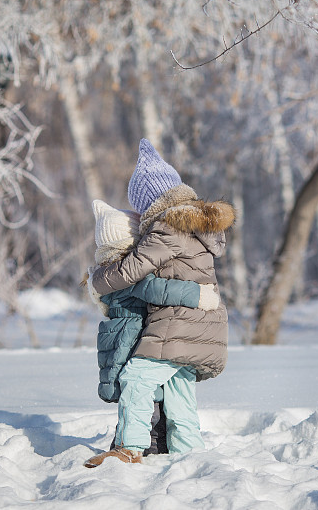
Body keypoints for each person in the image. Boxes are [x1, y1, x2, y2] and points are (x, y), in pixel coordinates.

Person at [84, 139, 234, 467]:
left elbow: (132, 269)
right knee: (178, 389)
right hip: (207, 325)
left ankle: (130, 447)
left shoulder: (166, 227)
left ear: (149, 201)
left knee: (136, 378)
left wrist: (97, 279)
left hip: (179, 323)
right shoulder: (198, 225)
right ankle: (190, 454)